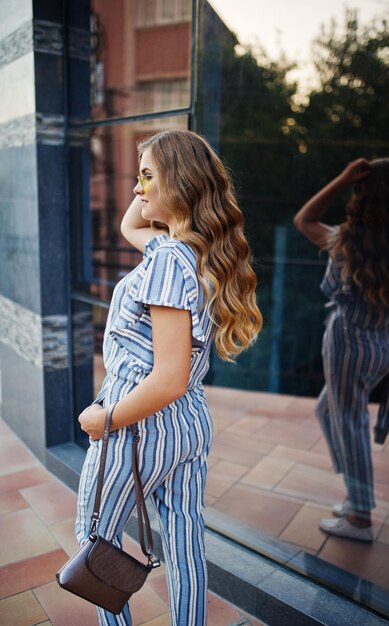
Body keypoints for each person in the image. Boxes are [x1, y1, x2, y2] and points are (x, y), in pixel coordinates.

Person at [75, 129, 262, 626]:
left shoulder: (166, 261)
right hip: (187, 426)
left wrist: (104, 420)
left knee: (94, 541)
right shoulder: (196, 254)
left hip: (139, 423)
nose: (136, 189)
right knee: (184, 545)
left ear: (179, 183)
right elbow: (128, 223)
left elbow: (169, 376)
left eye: (147, 177)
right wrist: (156, 160)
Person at [294, 157, 389, 542]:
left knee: (350, 422)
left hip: (349, 340)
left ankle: (360, 515)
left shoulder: (347, 239)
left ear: (360, 193)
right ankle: (354, 491)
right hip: (383, 345)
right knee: (328, 409)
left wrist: (341, 178)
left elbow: (304, 220)